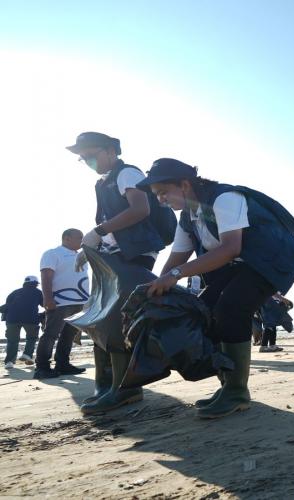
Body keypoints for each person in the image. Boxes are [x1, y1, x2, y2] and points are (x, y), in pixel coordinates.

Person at [139, 158, 294, 419]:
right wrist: (155, 286)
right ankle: (228, 386)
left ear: (184, 185)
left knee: (231, 309)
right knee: (204, 310)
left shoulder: (224, 198)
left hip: (271, 259)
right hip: (239, 264)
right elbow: (177, 258)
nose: (160, 200)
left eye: (163, 192)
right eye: (156, 195)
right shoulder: (186, 218)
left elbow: (231, 248)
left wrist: (173, 276)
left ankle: (237, 392)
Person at [66, 132, 168, 415]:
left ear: (110, 151)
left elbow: (140, 209)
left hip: (133, 253)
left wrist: (97, 232)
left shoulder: (126, 173)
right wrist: (91, 248)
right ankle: (106, 384)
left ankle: (126, 388)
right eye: (82, 158)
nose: (87, 161)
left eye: (91, 154)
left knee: (113, 317)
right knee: (98, 315)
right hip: (112, 255)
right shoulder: (104, 182)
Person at [34, 229, 89, 379]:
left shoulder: (82, 256)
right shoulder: (52, 253)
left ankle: (63, 364)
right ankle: (42, 367)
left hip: (80, 302)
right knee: (51, 334)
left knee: (69, 335)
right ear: (67, 238)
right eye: (79, 237)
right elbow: (46, 276)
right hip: (60, 301)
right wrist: (48, 299)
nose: (82, 240)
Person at [3, 276, 43, 369]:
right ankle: (27, 355)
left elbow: (7, 306)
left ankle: (9, 362)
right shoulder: (38, 292)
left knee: (12, 340)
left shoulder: (15, 292)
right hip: (30, 318)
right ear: (36, 283)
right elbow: (44, 304)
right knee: (31, 338)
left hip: (12, 319)